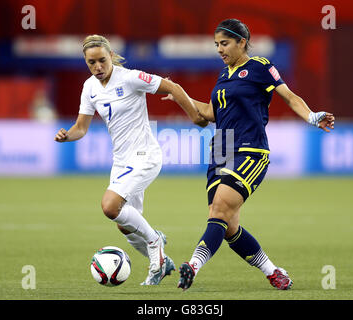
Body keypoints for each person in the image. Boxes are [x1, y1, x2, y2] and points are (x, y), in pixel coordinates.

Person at [164, 19, 335, 290]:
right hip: (220, 149)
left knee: (219, 210)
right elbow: (209, 114)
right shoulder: (223, 75)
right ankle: (273, 271)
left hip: (249, 150)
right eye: (217, 44)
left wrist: (313, 116)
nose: (219, 49)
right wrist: (180, 95)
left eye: (225, 43)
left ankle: (192, 266)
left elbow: (289, 97)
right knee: (228, 226)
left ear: (242, 42)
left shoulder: (260, 67)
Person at [54, 35, 207, 285]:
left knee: (109, 206)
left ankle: (155, 241)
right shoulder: (89, 87)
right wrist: (67, 136)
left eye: (102, 60)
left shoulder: (130, 77)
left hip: (144, 155)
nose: (98, 67)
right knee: (124, 224)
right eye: (91, 63)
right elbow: (81, 128)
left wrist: (194, 116)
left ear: (111, 55)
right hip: (121, 160)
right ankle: (161, 262)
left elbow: (174, 88)